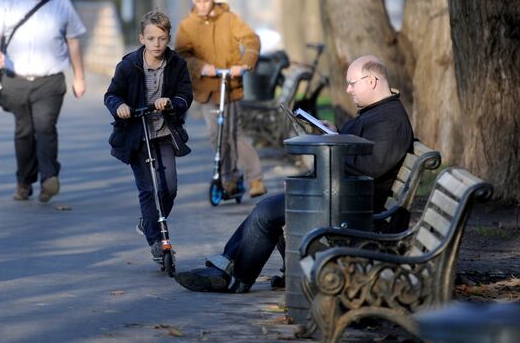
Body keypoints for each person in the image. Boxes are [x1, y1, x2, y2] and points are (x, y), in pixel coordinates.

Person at [174, 55, 414, 293]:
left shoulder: (390, 120)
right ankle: (228, 268)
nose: (348, 89)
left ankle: (235, 278)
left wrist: (330, 150)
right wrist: (335, 134)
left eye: (352, 83)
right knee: (268, 207)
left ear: (371, 81)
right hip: (343, 195)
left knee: (266, 213)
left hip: (355, 207)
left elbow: (371, 166)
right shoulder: (377, 112)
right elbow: (363, 151)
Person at [0, 0, 86, 203]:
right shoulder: (8, 1)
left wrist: (79, 77)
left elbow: (73, 42)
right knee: (24, 132)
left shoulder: (61, 4)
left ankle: (49, 178)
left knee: (45, 127)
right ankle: (24, 181)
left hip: (49, 81)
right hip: (15, 79)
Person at [104, 11, 193, 264]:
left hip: (164, 132)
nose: (157, 44)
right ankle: (156, 241)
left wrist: (172, 102)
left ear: (168, 38)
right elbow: (111, 94)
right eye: (151, 38)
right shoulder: (128, 65)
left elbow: (186, 94)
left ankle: (148, 222)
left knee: (169, 188)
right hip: (136, 135)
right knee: (148, 189)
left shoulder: (176, 64)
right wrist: (119, 106)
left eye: (162, 39)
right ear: (142, 38)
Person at [174, 0, 267, 198]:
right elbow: (181, 54)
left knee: (234, 133)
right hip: (207, 89)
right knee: (216, 134)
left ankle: (255, 179)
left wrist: (245, 63)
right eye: (198, 1)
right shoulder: (187, 26)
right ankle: (229, 179)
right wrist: (200, 67)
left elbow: (251, 40)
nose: (202, 6)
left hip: (230, 86)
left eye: (206, 1)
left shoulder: (229, 19)